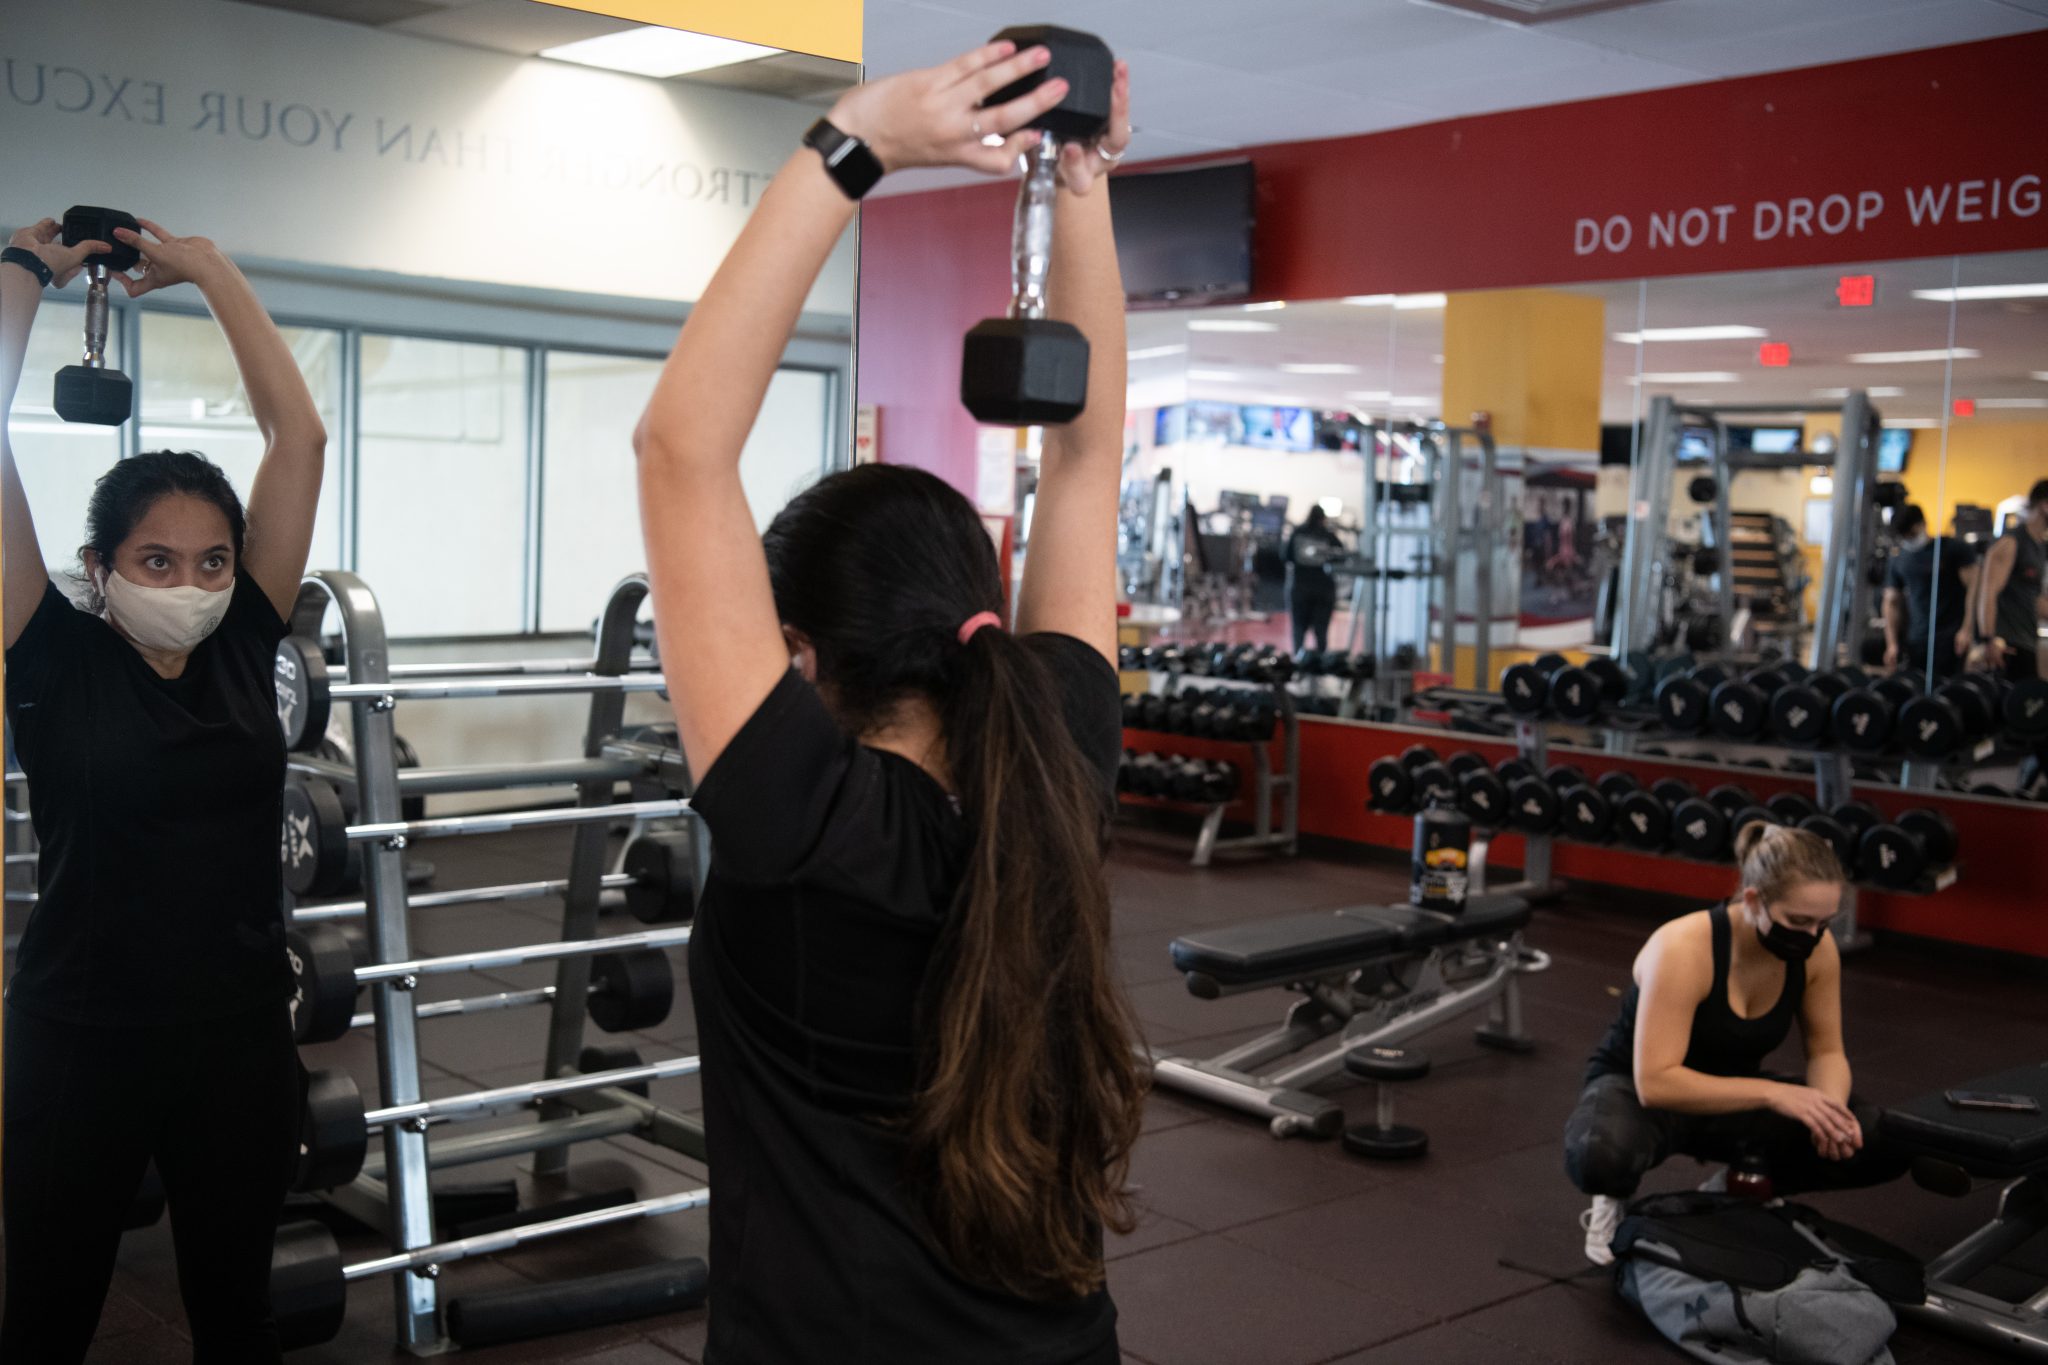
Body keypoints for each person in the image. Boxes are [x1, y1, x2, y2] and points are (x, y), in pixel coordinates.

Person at [632, 41, 1144, 1364]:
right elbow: (1086, 460)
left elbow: (682, 451)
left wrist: (858, 140)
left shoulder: (802, 824)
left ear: (800, 656)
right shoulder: (1055, 759)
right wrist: (1073, 178)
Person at [2, 216, 326, 1361]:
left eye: (211, 561)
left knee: (238, 1316)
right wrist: (24, 276)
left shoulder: (245, 642)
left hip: (236, 1037)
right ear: (99, 570)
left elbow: (299, 433)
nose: (188, 583)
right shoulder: (46, 653)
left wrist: (212, 271)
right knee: (45, 1315)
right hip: (80, 1035)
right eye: (155, 561)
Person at [1563, 823, 1907, 1267]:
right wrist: (1775, 1093)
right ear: (1752, 900)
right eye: (1798, 921)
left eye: (1824, 923)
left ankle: (1735, 1189)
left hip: (1730, 1096)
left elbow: (1826, 1052)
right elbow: (1656, 1083)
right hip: (1642, 1094)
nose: (1812, 934)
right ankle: (1611, 1198)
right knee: (1599, 1155)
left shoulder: (1817, 953)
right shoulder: (1683, 948)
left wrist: (1828, 1113)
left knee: (1878, 1140)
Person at [1882, 502, 1978, 678]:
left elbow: (1975, 589)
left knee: (1947, 691)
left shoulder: (1952, 549)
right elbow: (1891, 602)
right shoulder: (1899, 559)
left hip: (1951, 637)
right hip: (1916, 638)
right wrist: (1892, 644)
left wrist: (1967, 629)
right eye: (1904, 536)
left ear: (1922, 524)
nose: (1908, 540)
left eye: (1911, 534)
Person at [1972, 478, 2048, 681]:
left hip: (2027, 642)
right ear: (2045, 506)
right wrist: (1988, 640)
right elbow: (1988, 593)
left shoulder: (2039, 546)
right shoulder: (2011, 542)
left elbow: (2035, 600)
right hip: (2006, 647)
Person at [1285, 503, 1344, 654]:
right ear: (1323, 518)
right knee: (1321, 631)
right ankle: (1321, 664)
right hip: (1323, 590)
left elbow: (1286, 556)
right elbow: (1341, 556)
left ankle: (1299, 660)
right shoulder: (1328, 535)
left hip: (1301, 588)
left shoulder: (1298, 532)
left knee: (1299, 630)